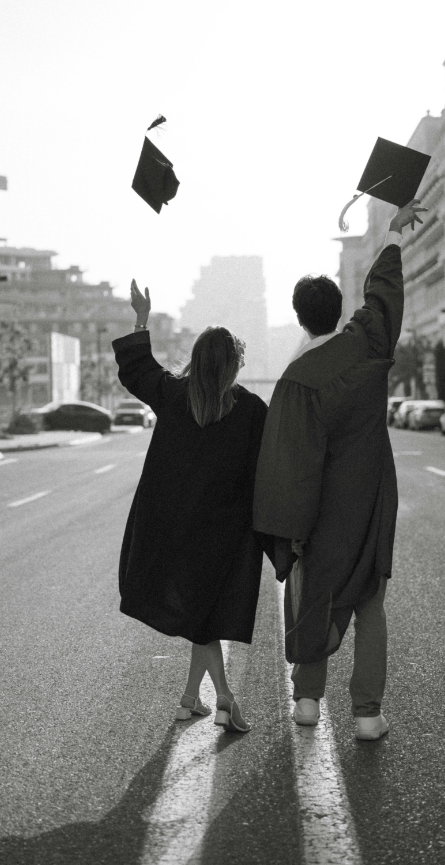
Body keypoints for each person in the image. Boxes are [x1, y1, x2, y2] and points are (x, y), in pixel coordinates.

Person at [253, 199, 427, 740]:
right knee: (370, 603)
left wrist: (292, 535)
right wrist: (393, 236)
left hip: (323, 513)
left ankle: (308, 702)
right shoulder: (368, 346)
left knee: (317, 598)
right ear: (338, 307)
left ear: (301, 316)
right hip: (373, 500)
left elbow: (291, 464)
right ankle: (368, 714)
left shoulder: (298, 378)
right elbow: (383, 299)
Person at [112, 280, 269, 733]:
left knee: (204, 617)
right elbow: (268, 470)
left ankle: (189, 699)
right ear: (235, 364)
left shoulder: (173, 396)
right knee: (206, 618)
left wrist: (142, 318)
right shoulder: (251, 410)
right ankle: (223, 699)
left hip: (171, 527)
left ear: (197, 360)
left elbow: (138, 369)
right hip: (223, 534)